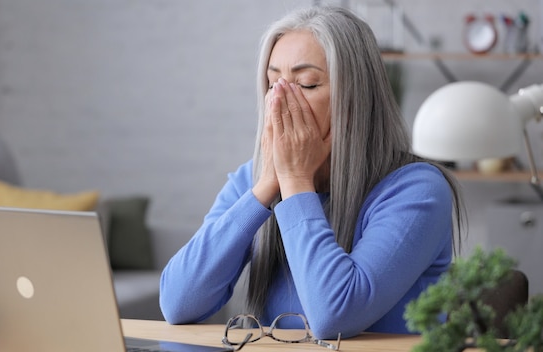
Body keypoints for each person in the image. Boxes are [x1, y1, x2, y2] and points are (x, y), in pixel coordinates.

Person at [159, 5, 464, 339]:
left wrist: (295, 181)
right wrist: (265, 188)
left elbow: (334, 318)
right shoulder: (254, 179)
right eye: (273, 84)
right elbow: (178, 303)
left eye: (305, 85)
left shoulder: (417, 189)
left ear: (355, 101)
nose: (280, 103)